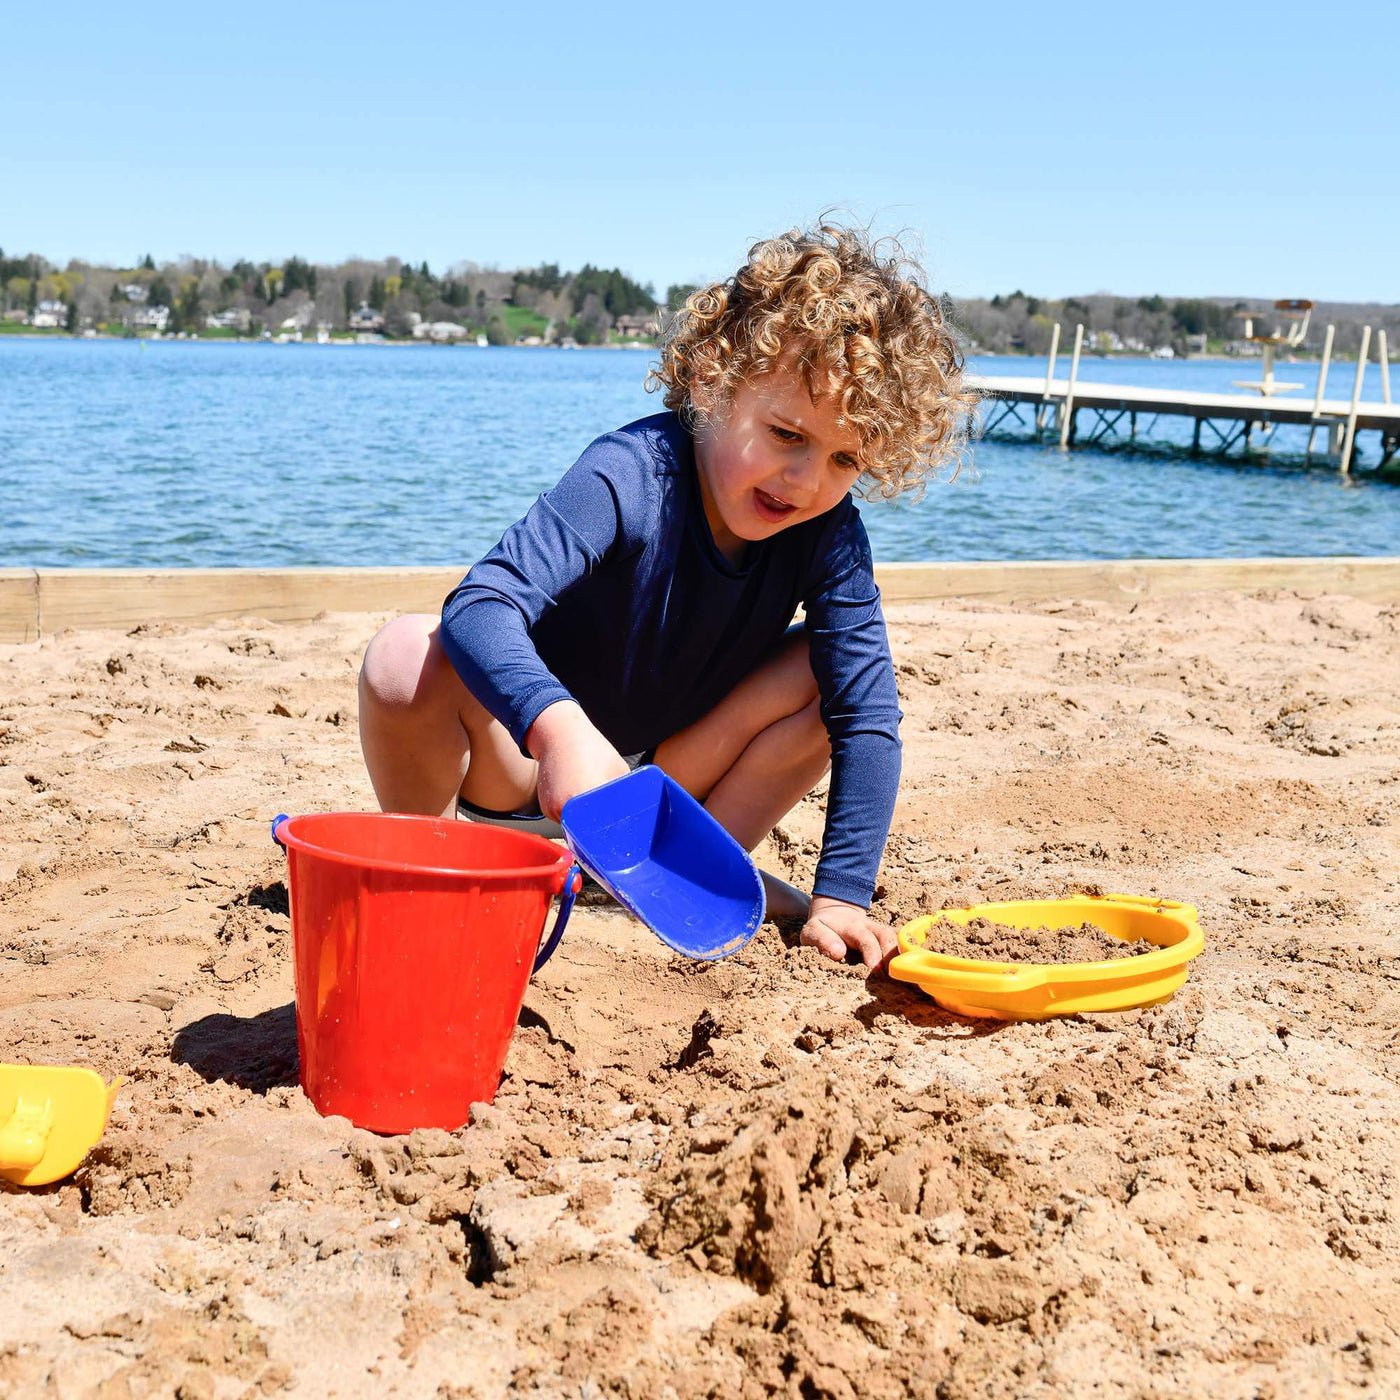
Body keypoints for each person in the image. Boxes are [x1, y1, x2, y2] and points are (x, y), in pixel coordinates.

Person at [358, 224, 969, 969]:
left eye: (845, 458)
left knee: (829, 671)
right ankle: (432, 866)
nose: (806, 480)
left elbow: (868, 715)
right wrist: (559, 732)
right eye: (786, 435)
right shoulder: (630, 473)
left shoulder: (828, 532)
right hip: (523, 774)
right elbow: (481, 605)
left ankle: (683, 872)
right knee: (403, 655)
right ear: (712, 381)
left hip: (660, 796)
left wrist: (843, 894)